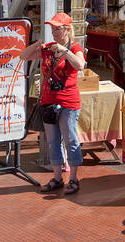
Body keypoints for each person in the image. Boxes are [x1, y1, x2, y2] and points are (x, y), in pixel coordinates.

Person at [20, 12, 86, 195]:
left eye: (58, 29)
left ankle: (73, 178)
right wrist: (37, 43)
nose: (54, 32)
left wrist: (64, 51)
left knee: (71, 139)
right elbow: (23, 56)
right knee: (53, 141)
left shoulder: (74, 47)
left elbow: (80, 65)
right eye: (52, 29)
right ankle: (57, 177)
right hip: (49, 101)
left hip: (68, 102)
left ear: (67, 29)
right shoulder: (48, 48)